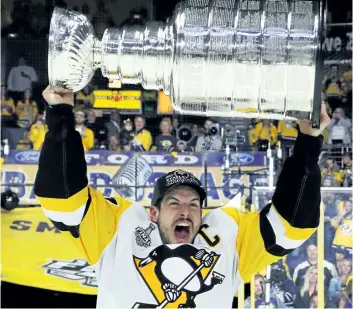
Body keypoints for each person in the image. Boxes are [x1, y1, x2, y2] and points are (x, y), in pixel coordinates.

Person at [34, 87, 330, 308]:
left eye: (193, 204)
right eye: (174, 203)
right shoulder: (119, 228)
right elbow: (63, 201)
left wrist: (308, 141)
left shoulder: (228, 237)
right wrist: (60, 113)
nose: (185, 211)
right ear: (153, 213)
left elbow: (291, 226)